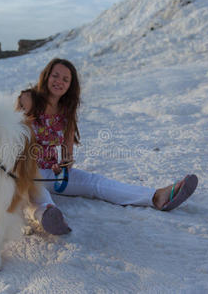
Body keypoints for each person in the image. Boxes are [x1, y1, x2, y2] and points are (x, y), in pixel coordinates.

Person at [17, 58, 198, 235]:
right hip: (25, 171)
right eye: (55, 76)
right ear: (46, 76)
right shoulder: (29, 99)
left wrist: (63, 166)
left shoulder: (66, 110)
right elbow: (9, 136)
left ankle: (157, 197)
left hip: (53, 173)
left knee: (96, 183)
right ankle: (48, 216)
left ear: (70, 86)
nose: (59, 82)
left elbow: (67, 154)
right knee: (37, 192)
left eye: (66, 79)